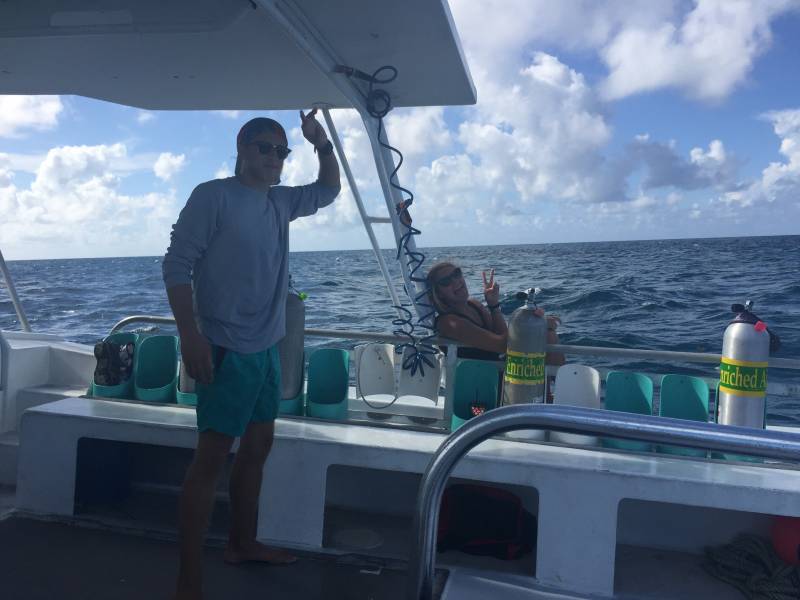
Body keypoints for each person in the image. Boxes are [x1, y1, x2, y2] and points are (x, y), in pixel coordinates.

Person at [162, 112, 340, 600]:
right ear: (242, 149)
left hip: (267, 347)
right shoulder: (212, 196)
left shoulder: (280, 201)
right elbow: (176, 265)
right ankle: (188, 581)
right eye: (265, 147)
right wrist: (190, 335)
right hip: (224, 347)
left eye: (282, 151)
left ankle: (241, 544)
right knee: (211, 458)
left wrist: (321, 144)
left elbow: (328, 190)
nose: (275, 157)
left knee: (258, 446)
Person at [426, 261, 565, 396]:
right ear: (438, 294)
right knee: (546, 333)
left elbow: (502, 334)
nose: (456, 281)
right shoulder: (448, 322)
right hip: (482, 385)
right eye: (446, 282)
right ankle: (549, 395)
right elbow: (502, 346)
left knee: (549, 335)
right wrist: (537, 325)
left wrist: (493, 305)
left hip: (500, 370)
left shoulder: (473, 304)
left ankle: (552, 391)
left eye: (456, 274)